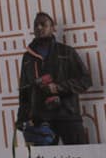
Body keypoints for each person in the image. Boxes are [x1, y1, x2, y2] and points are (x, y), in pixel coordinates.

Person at [16, 11, 90, 145]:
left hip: (68, 116)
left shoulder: (67, 52)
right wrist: (21, 120)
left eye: (43, 24)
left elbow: (85, 80)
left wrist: (58, 88)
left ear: (53, 28)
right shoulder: (27, 58)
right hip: (41, 121)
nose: (39, 28)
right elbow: (24, 91)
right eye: (36, 25)